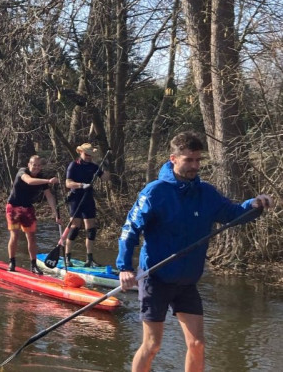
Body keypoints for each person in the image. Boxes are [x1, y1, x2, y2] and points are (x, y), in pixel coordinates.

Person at [116, 131, 274, 372]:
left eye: (198, 160)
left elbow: (232, 213)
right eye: (189, 160)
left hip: (187, 281)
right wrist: (125, 267)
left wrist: (254, 205)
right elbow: (130, 229)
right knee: (152, 344)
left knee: (198, 343)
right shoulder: (155, 192)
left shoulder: (206, 193)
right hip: (156, 279)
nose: (194, 166)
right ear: (173, 158)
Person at [6, 155, 62, 273]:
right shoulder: (22, 172)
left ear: (41, 167)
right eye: (33, 165)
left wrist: (55, 213)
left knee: (31, 237)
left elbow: (49, 196)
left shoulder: (41, 178)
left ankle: (33, 265)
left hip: (28, 208)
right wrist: (48, 181)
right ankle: (12, 262)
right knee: (14, 235)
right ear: (29, 165)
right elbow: (29, 181)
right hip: (13, 207)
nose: (36, 167)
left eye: (38, 165)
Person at [64, 143, 110, 267]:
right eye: (86, 154)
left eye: (90, 155)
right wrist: (81, 185)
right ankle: (67, 256)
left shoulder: (94, 166)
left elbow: (105, 178)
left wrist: (105, 167)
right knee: (75, 227)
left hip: (88, 198)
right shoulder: (73, 165)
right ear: (80, 153)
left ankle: (89, 259)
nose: (89, 157)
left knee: (91, 228)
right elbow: (68, 183)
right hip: (76, 198)